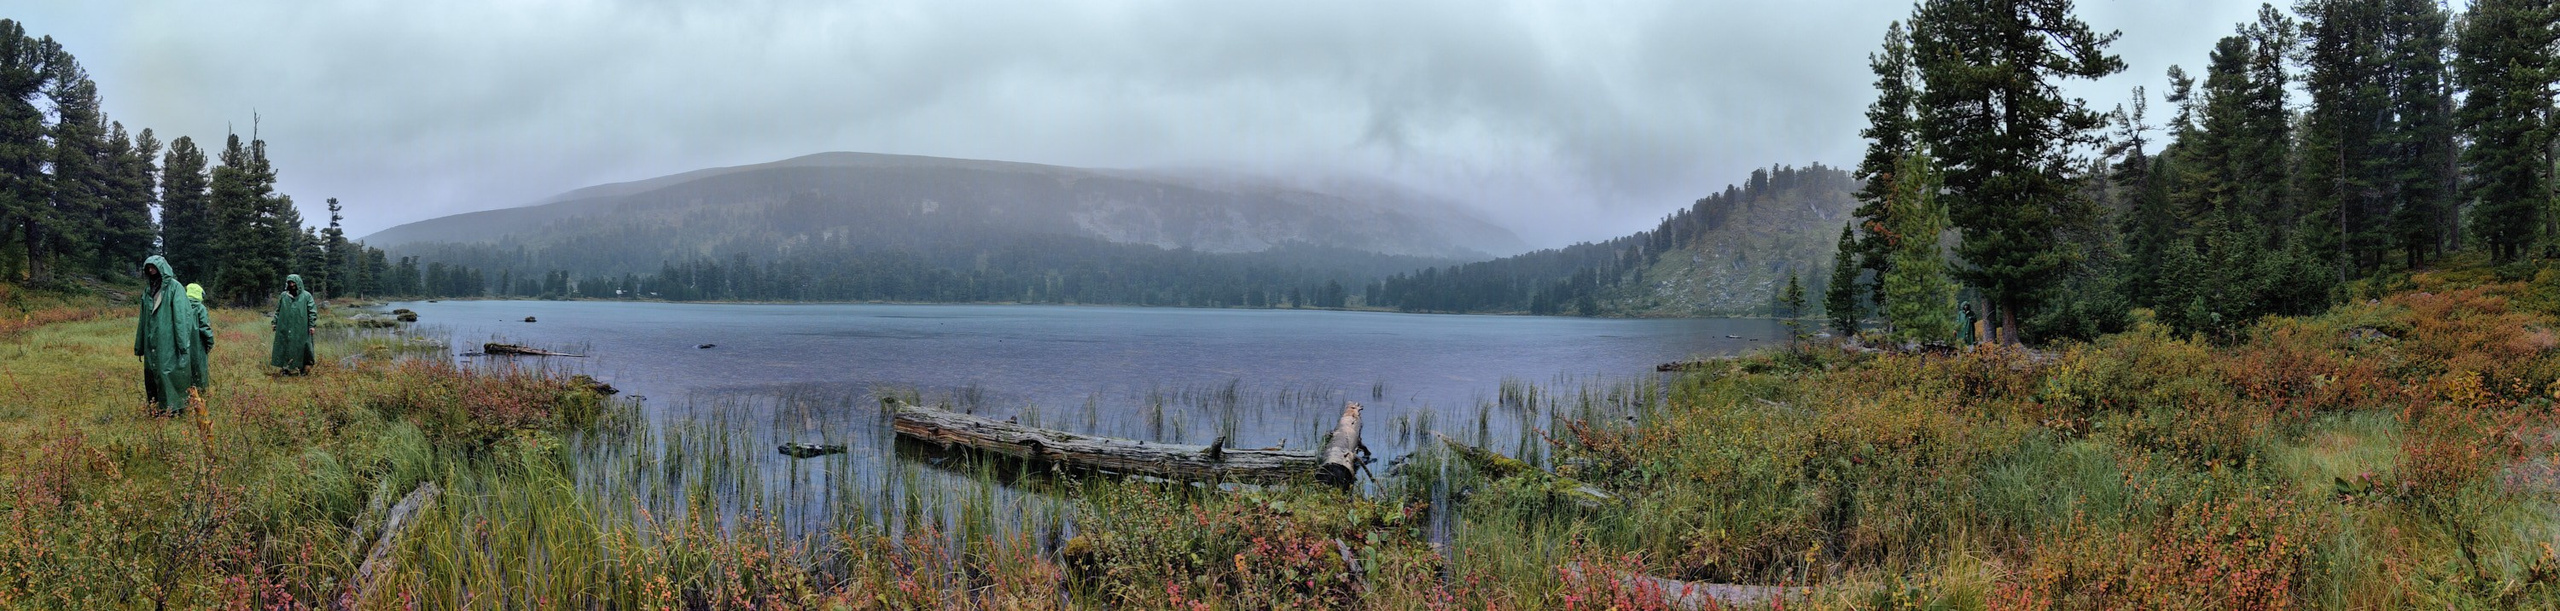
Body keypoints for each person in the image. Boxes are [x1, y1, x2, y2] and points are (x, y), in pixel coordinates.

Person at [134, 256, 202, 415]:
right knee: (152, 372)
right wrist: (140, 345)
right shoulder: (148, 290)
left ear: (162, 268)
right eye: (148, 268)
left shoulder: (175, 288)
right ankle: (157, 406)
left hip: (168, 339)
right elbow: (142, 319)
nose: (151, 271)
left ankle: (174, 408)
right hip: (152, 340)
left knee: (168, 371)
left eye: (154, 267)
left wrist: (182, 343)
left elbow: (182, 317)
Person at [270, 274, 317, 375]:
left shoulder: (306, 295)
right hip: (285, 326)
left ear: (298, 283)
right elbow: (278, 310)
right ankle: (285, 369)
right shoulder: (284, 295)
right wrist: (274, 322)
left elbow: (312, 311)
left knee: (304, 346)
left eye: (293, 282)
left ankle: (305, 368)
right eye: (289, 283)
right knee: (285, 346)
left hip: (302, 327)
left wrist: (312, 325)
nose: (291, 285)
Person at [186, 283, 215, 388]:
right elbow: (205, 328)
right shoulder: (200, 308)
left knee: (185, 371)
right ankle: (200, 395)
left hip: (182, 346)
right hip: (198, 345)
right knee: (199, 371)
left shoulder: (180, 306)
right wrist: (210, 343)